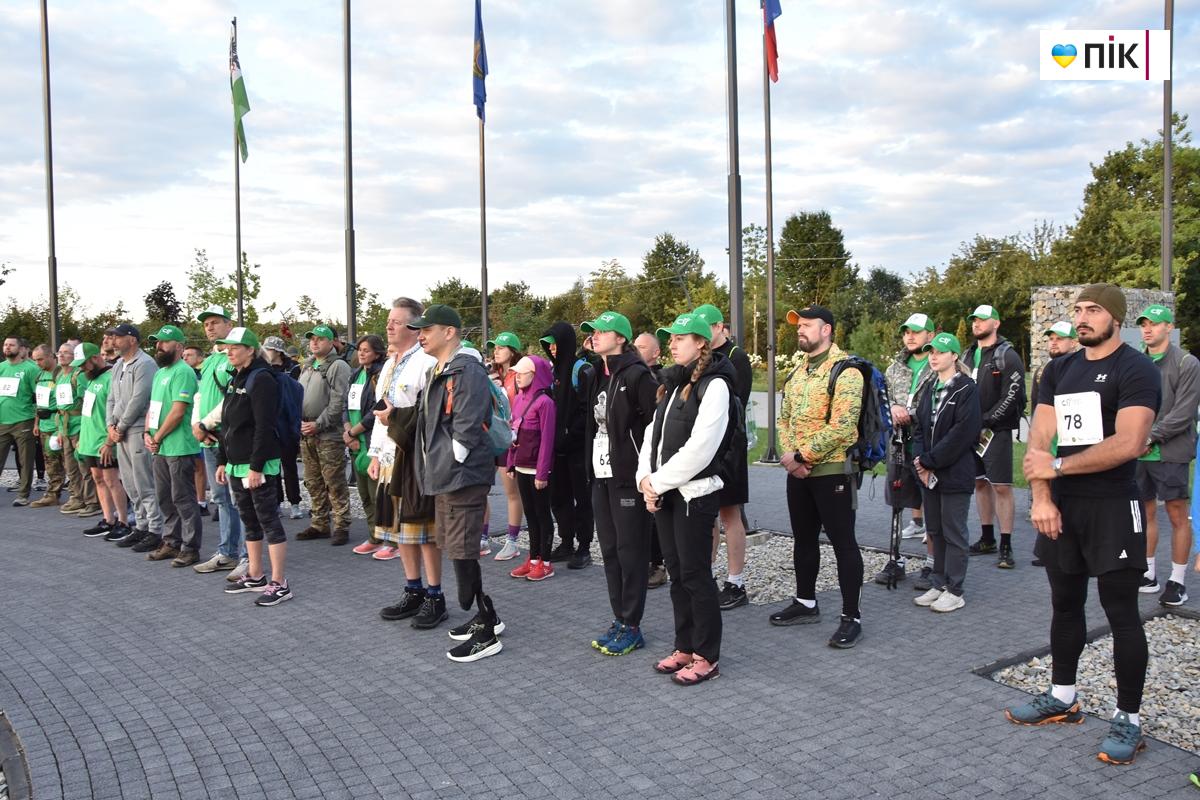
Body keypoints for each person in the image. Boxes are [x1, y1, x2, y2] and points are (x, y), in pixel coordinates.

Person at [1009, 284, 1158, 766]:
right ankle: (1063, 696)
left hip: (1113, 505)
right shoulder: (1059, 369)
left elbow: (1130, 442)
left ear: (1116, 318)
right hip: (1063, 505)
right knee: (1065, 605)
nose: (1082, 317)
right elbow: (1038, 443)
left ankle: (1128, 719)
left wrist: (1057, 468)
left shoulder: (1136, 369)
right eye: (1078, 310)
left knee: (1121, 614)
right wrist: (1042, 498)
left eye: (1093, 309)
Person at [638, 313, 733, 685]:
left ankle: (707, 656)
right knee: (677, 574)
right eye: (671, 338)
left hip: (695, 494)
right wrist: (645, 481)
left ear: (701, 342)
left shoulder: (716, 385)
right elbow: (652, 437)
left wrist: (657, 483)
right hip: (667, 492)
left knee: (696, 575)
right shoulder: (673, 383)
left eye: (681, 337)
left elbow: (701, 449)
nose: (673, 343)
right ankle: (685, 646)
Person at [410, 304, 505, 662]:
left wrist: (454, 457)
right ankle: (486, 616)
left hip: (460, 475)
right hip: (447, 474)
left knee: (464, 550)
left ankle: (486, 633)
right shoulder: (443, 368)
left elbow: (467, 421)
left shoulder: (465, 369)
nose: (421, 336)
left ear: (449, 332)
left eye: (427, 329)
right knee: (454, 546)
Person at [771, 306, 866, 649]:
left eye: (807, 325)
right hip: (799, 474)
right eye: (799, 325)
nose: (800, 330)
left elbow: (843, 426)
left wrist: (801, 457)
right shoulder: (798, 372)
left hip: (833, 471)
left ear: (826, 330)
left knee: (844, 544)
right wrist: (791, 458)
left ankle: (851, 617)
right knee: (803, 539)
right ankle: (806, 602)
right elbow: (784, 419)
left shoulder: (847, 371)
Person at [581, 312, 659, 655]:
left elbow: (655, 426)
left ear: (621, 338)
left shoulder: (637, 375)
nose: (595, 336)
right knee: (610, 550)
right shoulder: (595, 373)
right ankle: (620, 618)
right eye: (593, 332)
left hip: (628, 477)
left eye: (603, 331)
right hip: (601, 475)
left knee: (631, 551)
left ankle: (632, 624)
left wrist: (646, 472)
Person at [371, 298, 445, 627]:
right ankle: (413, 590)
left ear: (415, 329)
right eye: (389, 321)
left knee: (422, 527)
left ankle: (435, 596)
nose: (389, 326)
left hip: (415, 456)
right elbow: (380, 411)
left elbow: (429, 413)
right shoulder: (390, 364)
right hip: (390, 455)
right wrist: (375, 453)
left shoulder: (425, 362)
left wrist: (394, 420)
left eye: (397, 322)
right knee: (401, 530)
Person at [217, 327, 293, 606]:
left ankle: (280, 583)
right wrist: (222, 460)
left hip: (257, 464)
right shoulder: (235, 377)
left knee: (268, 521)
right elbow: (227, 423)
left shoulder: (262, 378)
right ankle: (256, 574)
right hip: (237, 463)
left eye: (234, 347)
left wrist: (256, 466)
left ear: (250, 350)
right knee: (249, 520)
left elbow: (264, 426)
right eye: (227, 347)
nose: (228, 351)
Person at [909, 333, 981, 613]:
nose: (934, 356)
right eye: (931, 352)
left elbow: (963, 433)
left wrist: (931, 461)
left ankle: (955, 589)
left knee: (954, 532)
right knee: (935, 531)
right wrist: (920, 461)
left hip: (954, 473)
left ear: (954, 356)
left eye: (940, 352)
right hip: (929, 472)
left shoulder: (966, 389)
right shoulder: (930, 387)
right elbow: (919, 427)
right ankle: (938, 583)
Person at [1133, 303, 1199, 607]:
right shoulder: (1136, 361)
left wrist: (1150, 436)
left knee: (1176, 514)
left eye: (1155, 324)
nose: (1148, 329)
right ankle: (1148, 573)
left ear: (1169, 327)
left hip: (1171, 451)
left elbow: (1184, 412)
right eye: (1144, 324)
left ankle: (1178, 580)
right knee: (1144, 513)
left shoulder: (1187, 362)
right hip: (1139, 453)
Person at [690, 305, 754, 610]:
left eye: (706, 328)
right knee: (707, 514)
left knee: (730, 514)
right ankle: (708, 575)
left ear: (719, 327)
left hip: (729, 450)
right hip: (703, 448)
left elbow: (736, 402)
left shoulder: (736, 356)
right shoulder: (699, 357)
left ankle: (736, 582)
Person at [961, 304, 1026, 569]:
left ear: (996, 323)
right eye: (973, 320)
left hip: (996, 431)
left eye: (982, 319)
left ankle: (1006, 545)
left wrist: (985, 420)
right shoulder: (967, 355)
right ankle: (987, 537)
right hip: (970, 432)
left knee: (1001, 486)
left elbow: (1011, 396)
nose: (976, 324)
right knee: (979, 484)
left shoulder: (1007, 355)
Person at [877, 313, 939, 588]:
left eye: (916, 331)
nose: (910, 336)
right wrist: (892, 408)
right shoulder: (895, 368)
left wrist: (910, 413)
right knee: (897, 502)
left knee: (933, 505)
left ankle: (933, 563)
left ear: (930, 335)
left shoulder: (938, 364)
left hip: (929, 446)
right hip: (899, 445)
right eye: (906, 332)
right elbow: (882, 399)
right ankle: (896, 559)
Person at [143, 325, 204, 567]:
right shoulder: (160, 373)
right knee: (165, 498)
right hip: (160, 446)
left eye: (164, 342)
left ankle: (190, 548)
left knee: (183, 498)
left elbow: (178, 412)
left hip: (179, 446)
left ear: (178, 346)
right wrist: (148, 433)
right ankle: (171, 542)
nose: (159, 346)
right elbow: (153, 406)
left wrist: (157, 437)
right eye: (157, 342)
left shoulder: (183, 372)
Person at [190, 305, 244, 575]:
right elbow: (200, 396)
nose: (209, 327)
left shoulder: (235, 357)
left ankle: (246, 556)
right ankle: (227, 552)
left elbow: (234, 398)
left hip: (228, 437)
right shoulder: (210, 360)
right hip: (208, 438)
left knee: (239, 499)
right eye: (206, 324)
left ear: (229, 324)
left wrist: (205, 424)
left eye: (215, 322)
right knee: (221, 498)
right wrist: (196, 425)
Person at [540, 322, 594, 568]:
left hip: (577, 448)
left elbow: (587, 410)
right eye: (548, 345)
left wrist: (570, 434)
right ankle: (566, 542)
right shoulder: (554, 372)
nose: (552, 348)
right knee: (559, 498)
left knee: (582, 499)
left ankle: (584, 547)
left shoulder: (581, 370)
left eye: (555, 344)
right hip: (557, 448)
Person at [105, 323, 162, 550]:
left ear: (132, 339)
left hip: (136, 429)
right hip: (120, 431)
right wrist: (110, 425)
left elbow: (138, 400)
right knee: (129, 483)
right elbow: (111, 398)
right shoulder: (118, 365)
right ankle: (141, 526)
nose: (113, 341)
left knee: (144, 482)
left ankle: (155, 530)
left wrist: (120, 426)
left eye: (118, 337)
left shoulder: (145, 363)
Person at [297, 324, 353, 545]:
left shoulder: (338, 366)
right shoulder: (307, 366)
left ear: (331, 342)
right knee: (313, 481)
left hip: (328, 434)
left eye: (320, 339)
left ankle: (341, 525)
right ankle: (319, 523)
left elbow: (338, 401)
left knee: (334, 481)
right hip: (306, 431)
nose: (314, 342)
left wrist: (319, 424)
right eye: (312, 338)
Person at [505, 355, 556, 580]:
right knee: (530, 514)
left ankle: (546, 561)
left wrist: (542, 472)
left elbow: (547, 440)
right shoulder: (519, 399)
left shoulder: (545, 403)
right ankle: (534, 558)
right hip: (522, 466)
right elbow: (514, 433)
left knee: (543, 514)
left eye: (522, 373)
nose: (517, 377)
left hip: (537, 469)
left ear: (535, 375)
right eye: (516, 373)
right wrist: (511, 462)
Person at [73, 343, 130, 540]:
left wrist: (109, 442)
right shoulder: (91, 379)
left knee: (111, 480)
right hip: (89, 441)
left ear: (95, 358)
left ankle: (123, 521)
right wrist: (82, 438)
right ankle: (108, 519)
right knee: (98, 479)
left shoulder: (111, 378)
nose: (82, 368)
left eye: (84, 364)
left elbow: (118, 412)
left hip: (104, 441)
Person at [486, 331, 524, 561]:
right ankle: (482, 537)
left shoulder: (519, 375)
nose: (496, 351)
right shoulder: (491, 374)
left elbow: (521, 406)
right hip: (489, 436)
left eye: (501, 347)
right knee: (481, 489)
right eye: (495, 347)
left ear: (513, 351)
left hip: (508, 438)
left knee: (511, 491)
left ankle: (512, 540)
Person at [634, 332, 668, 589]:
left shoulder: (660, 379)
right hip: (635, 454)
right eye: (634, 346)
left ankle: (658, 564)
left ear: (656, 352)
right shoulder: (630, 376)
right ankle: (643, 560)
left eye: (642, 347)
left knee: (654, 512)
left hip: (655, 456)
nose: (636, 350)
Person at [345, 334, 384, 549]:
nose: (361, 353)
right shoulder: (355, 374)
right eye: (360, 349)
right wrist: (347, 431)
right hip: (354, 442)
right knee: (364, 496)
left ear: (377, 353)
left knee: (376, 495)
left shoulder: (380, 375)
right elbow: (346, 405)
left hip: (370, 441)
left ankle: (385, 537)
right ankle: (374, 536)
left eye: (366, 350)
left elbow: (376, 409)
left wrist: (354, 431)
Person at [54, 341, 101, 517]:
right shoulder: (60, 375)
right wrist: (60, 430)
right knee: (70, 466)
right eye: (59, 352)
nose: (61, 355)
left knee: (84, 466)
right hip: (65, 427)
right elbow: (60, 405)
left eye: (66, 352)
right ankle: (77, 497)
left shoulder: (79, 375)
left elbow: (87, 402)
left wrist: (84, 431)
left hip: (79, 425)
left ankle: (92, 501)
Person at [261, 335, 303, 518]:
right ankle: (277, 502)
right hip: (271, 424)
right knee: (273, 468)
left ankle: (295, 503)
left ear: (278, 352)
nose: (265, 352)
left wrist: (295, 428)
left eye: (269, 349)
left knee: (290, 466)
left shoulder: (293, 370)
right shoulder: (262, 371)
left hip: (288, 424)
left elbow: (296, 399)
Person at [0, 336, 43, 506]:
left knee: (26, 460)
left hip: (23, 420)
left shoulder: (30, 369)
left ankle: (23, 495)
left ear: (21, 348)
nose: (7, 347)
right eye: (5, 345)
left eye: (11, 345)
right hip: (3, 421)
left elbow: (39, 396)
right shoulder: (1, 367)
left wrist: (36, 421)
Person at [30, 344, 65, 507]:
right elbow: (39, 401)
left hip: (58, 424)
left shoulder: (61, 374)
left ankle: (78, 496)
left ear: (51, 356)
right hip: (44, 424)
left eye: (40, 359)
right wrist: (36, 423)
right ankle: (52, 494)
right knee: (50, 463)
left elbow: (65, 404)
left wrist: (61, 428)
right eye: (35, 360)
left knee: (68, 463)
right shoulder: (40, 375)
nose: (37, 363)